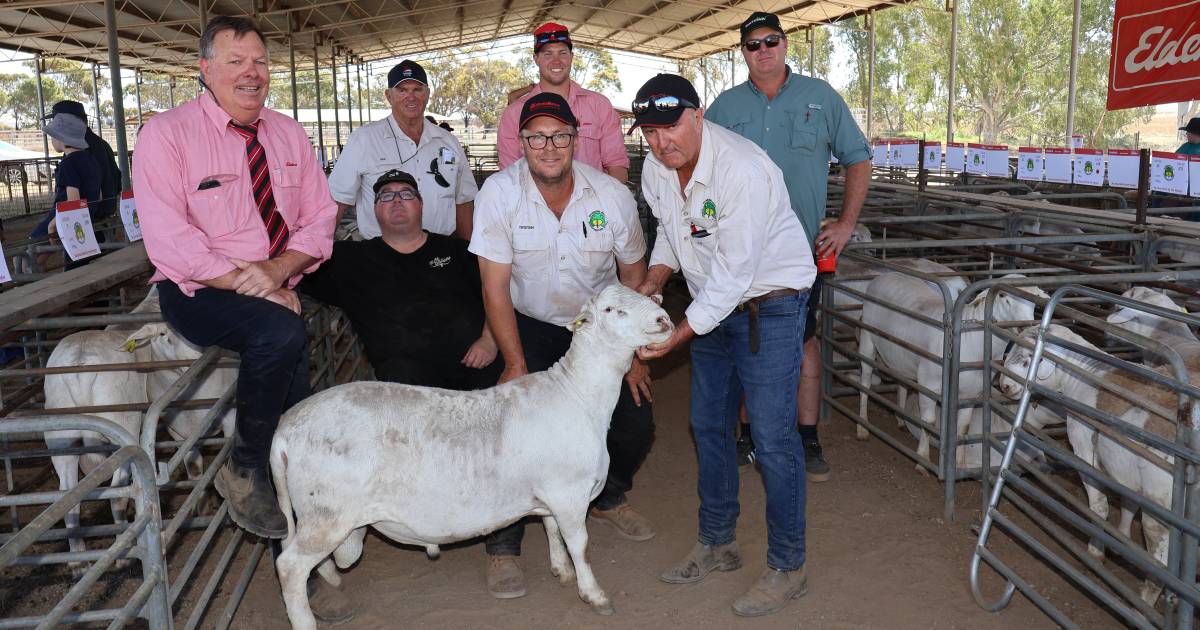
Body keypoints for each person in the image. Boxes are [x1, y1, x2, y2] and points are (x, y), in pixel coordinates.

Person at [631, 74, 815, 617]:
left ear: (697, 117)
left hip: (770, 306)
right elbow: (672, 230)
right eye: (650, 132)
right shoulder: (656, 170)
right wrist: (656, 278)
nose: (662, 142)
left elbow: (736, 274)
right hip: (714, 304)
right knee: (708, 424)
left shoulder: (743, 169)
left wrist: (677, 337)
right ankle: (718, 541)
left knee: (772, 435)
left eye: (671, 127)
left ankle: (788, 564)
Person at [470, 92, 654, 600]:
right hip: (526, 321)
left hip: (596, 330)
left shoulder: (611, 196)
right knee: (508, 430)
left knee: (636, 422)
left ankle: (606, 496)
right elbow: (493, 286)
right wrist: (513, 361)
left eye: (558, 135)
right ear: (521, 142)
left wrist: (633, 356)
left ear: (576, 139)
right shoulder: (500, 194)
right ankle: (503, 543)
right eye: (536, 137)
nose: (548, 146)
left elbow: (633, 278)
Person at [706, 11, 871, 481]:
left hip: (799, 250)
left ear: (785, 44)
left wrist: (844, 222)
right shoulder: (725, 106)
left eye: (771, 41)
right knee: (740, 337)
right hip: (736, 247)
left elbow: (858, 158)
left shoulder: (820, 98)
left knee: (802, 341)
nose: (764, 50)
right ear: (743, 52)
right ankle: (747, 435)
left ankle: (806, 436)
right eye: (753, 44)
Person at [299, 169, 500, 388]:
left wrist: (490, 340)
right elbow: (296, 261)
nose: (396, 200)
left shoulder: (458, 250)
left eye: (406, 194)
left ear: (420, 204)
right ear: (375, 208)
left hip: (476, 368)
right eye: (385, 195)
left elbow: (497, 290)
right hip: (406, 388)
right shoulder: (349, 259)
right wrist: (278, 284)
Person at [329, 60, 476, 240]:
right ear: (389, 96)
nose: (411, 97)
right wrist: (318, 255)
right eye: (402, 90)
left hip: (439, 252)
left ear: (427, 94)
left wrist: (470, 257)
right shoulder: (364, 139)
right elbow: (337, 201)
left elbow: (463, 201)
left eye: (417, 90)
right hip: (381, 254)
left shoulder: (448, 142)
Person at [496, 23, 629, 182]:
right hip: (533, 204)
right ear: (536, 59)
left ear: (572, 57)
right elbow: (510, 175)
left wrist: (607, 203)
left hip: (593, 203)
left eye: (562, 53)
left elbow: (617, 167)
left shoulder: (599, 105)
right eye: (548, 54)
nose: (556, 61)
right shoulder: (514, 113)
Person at [32, 113, 102, 270]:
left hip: (64, 218)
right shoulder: (91, 160)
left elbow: (73, 203)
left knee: (28, 252)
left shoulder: (68, 163)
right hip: (87, 217)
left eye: (52, 137)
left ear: (61, 139)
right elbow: (98, 195)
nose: (51, 141)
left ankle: (30, 286)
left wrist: (52, 225)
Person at [43, 100, 122, 222]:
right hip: (105, 211)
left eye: (57, 120)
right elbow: (117, 180)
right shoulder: (103, 144)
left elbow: (74, 201)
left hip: (85, 218)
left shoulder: (76, 152)